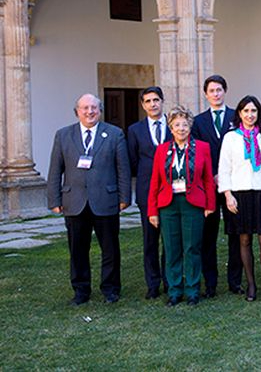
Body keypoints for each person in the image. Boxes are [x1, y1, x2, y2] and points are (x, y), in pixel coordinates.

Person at [47, 94, 131, 305]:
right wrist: (54, 200)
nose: (89, 111)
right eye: (84, 108)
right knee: (77, 250)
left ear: (100, 111)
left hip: (106, 200)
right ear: (77, 111)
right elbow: (55, 169)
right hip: (74, 201)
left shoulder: (114, 134)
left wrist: (124, 197)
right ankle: (81, 290)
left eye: (94, 107)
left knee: (110, 249)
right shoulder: (63, 135)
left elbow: (123, 168)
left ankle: (110, 289)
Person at [147, 106, 216, 306]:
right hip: (168, 205)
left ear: (190, 127)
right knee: (171, 248)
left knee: (192, 248)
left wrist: (210, 204)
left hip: (193, 204)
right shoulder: (162, 150)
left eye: (184, 125)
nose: (181, 129)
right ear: (171, 128)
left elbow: (208, 179)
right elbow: (155, 181)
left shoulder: (202, 147)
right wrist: (152, 211)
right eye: (177, 125)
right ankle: (174, 290)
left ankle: (193, 289)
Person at [218, 96, 261, 302]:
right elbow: (224, 167)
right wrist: (227, 194)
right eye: (246, 111)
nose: (250, 115)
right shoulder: (231, 138)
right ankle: (251, 285)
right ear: (239, 113)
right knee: (244, 239)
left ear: (258, 113)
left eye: (253, 111)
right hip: (240, 194)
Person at [191, 74, 243, 297]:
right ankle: (210, 284)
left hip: (234, 184)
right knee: (208, 236)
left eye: (219, 90)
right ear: (206, 94)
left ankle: (235, 281)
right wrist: (212, 174)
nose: (216, 94)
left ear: (225, 91)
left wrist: (227, 174)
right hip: (209, 185)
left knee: (235, 233)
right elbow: (196, 152)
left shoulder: (237, 117)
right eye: (211, 90)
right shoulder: (198, 121)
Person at [127, 86, 171, 300]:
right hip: (147, 192)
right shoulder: (135, 130)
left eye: (156, 100)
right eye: (148, 101)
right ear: (143, 105)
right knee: (150, 240)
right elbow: (133, 161)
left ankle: (170, 280)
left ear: (162, 101)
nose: (153, 104)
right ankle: (153, 284)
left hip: (172, 191)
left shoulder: (174, 126)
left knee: (170, 240)